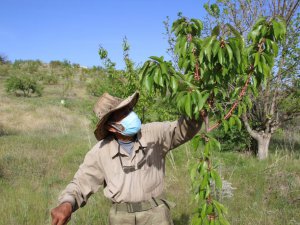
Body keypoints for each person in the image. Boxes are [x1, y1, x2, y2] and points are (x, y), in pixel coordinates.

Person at [51, 91, 202, 225]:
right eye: (123, 114)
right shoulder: (100, 152)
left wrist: (197, 107)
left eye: (129, 110)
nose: (131, 115)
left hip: (157, 215)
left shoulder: (154, 133)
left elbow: (182, 130)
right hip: (121, 219)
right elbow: (81, 183)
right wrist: (67, 203)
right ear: (111, 127)